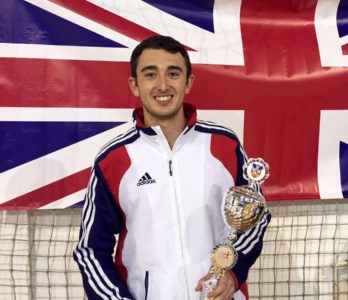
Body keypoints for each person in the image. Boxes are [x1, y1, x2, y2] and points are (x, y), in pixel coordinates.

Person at [73, 35, 271, 300]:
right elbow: (90, 250)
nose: (163, 85)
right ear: (135, 85)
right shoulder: (113, 159)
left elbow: (255, 218)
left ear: (188, 82)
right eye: (150, 74)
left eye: (173, 73)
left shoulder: (224, 144)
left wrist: (233, 273)